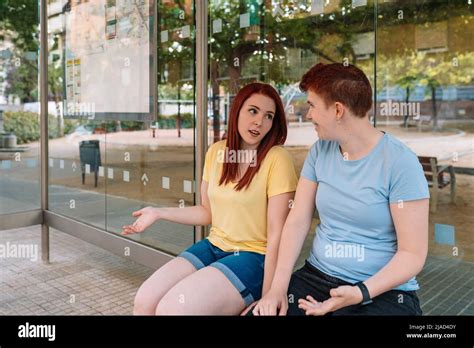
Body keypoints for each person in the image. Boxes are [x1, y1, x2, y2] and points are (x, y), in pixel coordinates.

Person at [251, 63, 430, 316]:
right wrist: (276, 289)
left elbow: (412, 254)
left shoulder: (401, 163)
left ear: (337, 110)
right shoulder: (319, 151)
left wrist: (360, 292)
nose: (308, 114)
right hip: (316, 279)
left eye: (312, 105)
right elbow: (298, 221)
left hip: (381, 293)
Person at [122, 82, 298, 315]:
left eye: (269, 116)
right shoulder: (217, 151)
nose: (259, 122)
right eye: (253, 111)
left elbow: (278, 233)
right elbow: (207, 212)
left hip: (254, 256)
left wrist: (268, 295)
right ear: (237, 110)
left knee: (173, 308)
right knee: (145, 299)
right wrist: (158, 212)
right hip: (214, 246)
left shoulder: (278, 159)